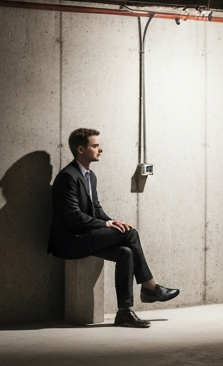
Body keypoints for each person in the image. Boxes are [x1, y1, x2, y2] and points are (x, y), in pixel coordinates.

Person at [49, 128, 179, 328]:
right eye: (95, 145)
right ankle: (150, 287)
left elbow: (96, 209)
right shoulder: (68, 176)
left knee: (126, 252)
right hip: (70, 241)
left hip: (86, 236)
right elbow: (72, 216)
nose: (100, 149)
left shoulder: (90, 176)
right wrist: (105, 224)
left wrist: (112, 221)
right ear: (81, 149)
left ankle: (124, 312)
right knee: (131, 233)